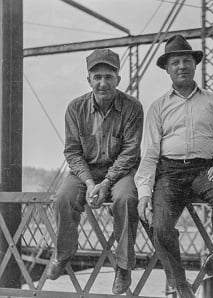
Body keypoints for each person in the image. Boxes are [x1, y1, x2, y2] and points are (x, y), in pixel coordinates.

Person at [134, 34, 213, 297]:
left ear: (195, 65)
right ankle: (179, 282)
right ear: (167, 69)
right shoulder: (158, 107)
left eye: (186, 61)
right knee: (159, 225)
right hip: (169, 173)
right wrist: (144, 194)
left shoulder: (212, 101)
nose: (181, 66)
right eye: (175, 63)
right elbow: (149, 153)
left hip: (204, 170)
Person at [46, 48, 144, 295]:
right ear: (88, 79)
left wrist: (107, 182)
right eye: (97, 76)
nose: (103, 83)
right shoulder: (75, 108)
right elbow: (72, 152)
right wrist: (90, 183)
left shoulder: (133, 108)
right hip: (86, 171)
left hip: (121, 171)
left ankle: (123, 266)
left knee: (126, 199)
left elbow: (130, 153)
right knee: (63, 199)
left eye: (109, 77)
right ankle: (63, 253)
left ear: (118, 80)